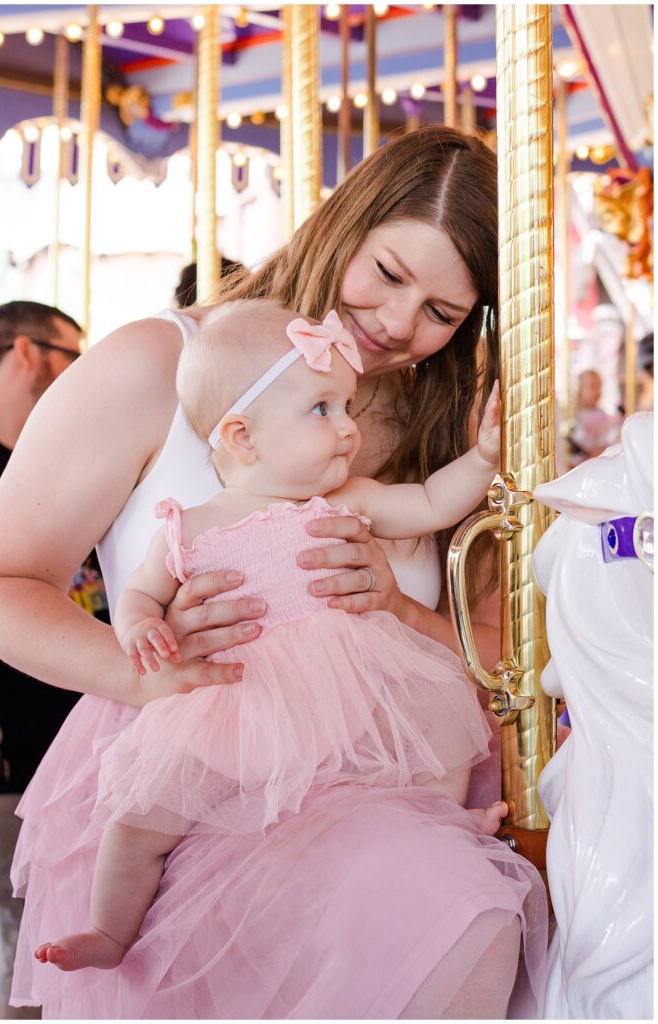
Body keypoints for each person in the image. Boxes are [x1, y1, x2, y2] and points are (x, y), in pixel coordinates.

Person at [0, 125, 547, 1019]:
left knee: (458, 910)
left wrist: (396, 605)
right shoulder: (159, 364)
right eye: (390, 274)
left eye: (442, 312)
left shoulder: (446, 422)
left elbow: (500, 662)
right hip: (203, 773)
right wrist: (145, 668)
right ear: (343, 225)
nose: (400, 324)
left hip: (376, 794)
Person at [34, 300, 507, 972]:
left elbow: (430, 502)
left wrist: (484, 458)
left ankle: (443, 827)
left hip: (345, 695)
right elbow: (141, 591)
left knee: (436, 728)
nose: (347, 430)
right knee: (139, 822)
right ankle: (111, 930)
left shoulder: (344, 501)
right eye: (322, 410)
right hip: (234, 705)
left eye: (346, 406)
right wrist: (140, 626)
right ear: (243, 436)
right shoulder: (190, 526)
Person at [0, 300, 108, 1016]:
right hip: (11, 744)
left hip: (81, 727)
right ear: (27, 353)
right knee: (16, 934)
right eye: (71, 356)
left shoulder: (52, 460)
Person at [569, 368, 621, 466]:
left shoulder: (601, 415)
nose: (597, 391)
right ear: (580, 388)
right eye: (592, 386)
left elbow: (605, 440)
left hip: (593, 463)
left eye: (599, 386)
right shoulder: (573, 414)